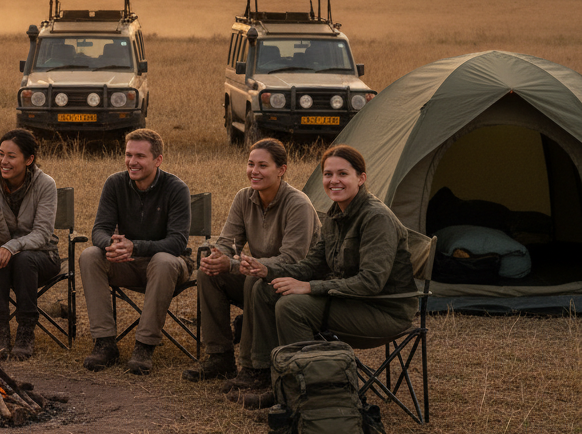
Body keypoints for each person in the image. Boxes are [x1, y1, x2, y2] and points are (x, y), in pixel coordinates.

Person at [228, 144, 418, 408]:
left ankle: (303, 395)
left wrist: (309, 287)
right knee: (265, 287)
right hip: (349, 301)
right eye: (328, 174)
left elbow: (371, 282)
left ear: (361, 178)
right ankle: (270, 376)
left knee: (292, 306)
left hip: (382, 310)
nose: (333, 181)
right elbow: (311, 265)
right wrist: (267, 270)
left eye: (342, 174)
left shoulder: (376, 218)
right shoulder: (335, 214)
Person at [185, 138, 320, 382]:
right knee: (208, 274)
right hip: (258, 275)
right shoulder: (244, 198)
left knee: (253, 280)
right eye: (250, 164)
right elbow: (227, 241)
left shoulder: (298, 204)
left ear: (281, 170)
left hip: (298, 283)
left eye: (262, 166)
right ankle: (220, 357)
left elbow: (292, 260)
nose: (254, 172)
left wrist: (236, 265)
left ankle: (254, 367)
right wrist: (219, 258)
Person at [79, 128, 192, 375]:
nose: (132, 162)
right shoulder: (115, 183)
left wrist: (136, 245)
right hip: (127, 263)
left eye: (140, 156)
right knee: (90, 255)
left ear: (157, 160)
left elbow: (177, 242)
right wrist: (111, 244)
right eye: (129, 155)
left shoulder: (176, 188)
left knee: (163, 261)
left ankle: (144, 346)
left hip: (169, 266)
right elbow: (99, 229)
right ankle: (105, 343)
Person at [0, 128, 58, 360]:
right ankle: (0, 332)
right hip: (3, 255)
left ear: (29, 159)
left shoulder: (45, 185)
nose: (4, 161)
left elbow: (42, 234)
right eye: (1, 154)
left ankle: (25, 331)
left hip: (42, 257)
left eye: (11, 156)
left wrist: (13, 247)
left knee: (23, 259)